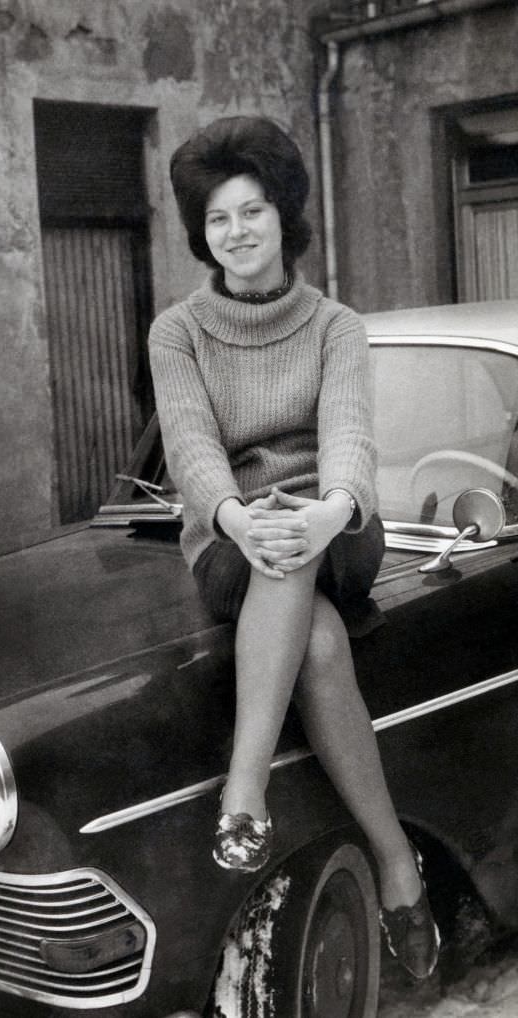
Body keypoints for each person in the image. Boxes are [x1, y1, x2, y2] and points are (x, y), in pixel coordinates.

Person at [148, 114, 439, 980]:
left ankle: (245, 791)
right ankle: (395, 864)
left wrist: (332, 507)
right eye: (218, 219)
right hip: (232, 538)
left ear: (286, 217)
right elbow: (193, 449)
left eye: (253, 212)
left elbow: (349, 434)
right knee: (314, 637)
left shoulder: (336, 325)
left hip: (339, 529)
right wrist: (237, 517)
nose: (236, 233)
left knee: (300, 532)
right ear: (203, 234)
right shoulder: (179, 332)